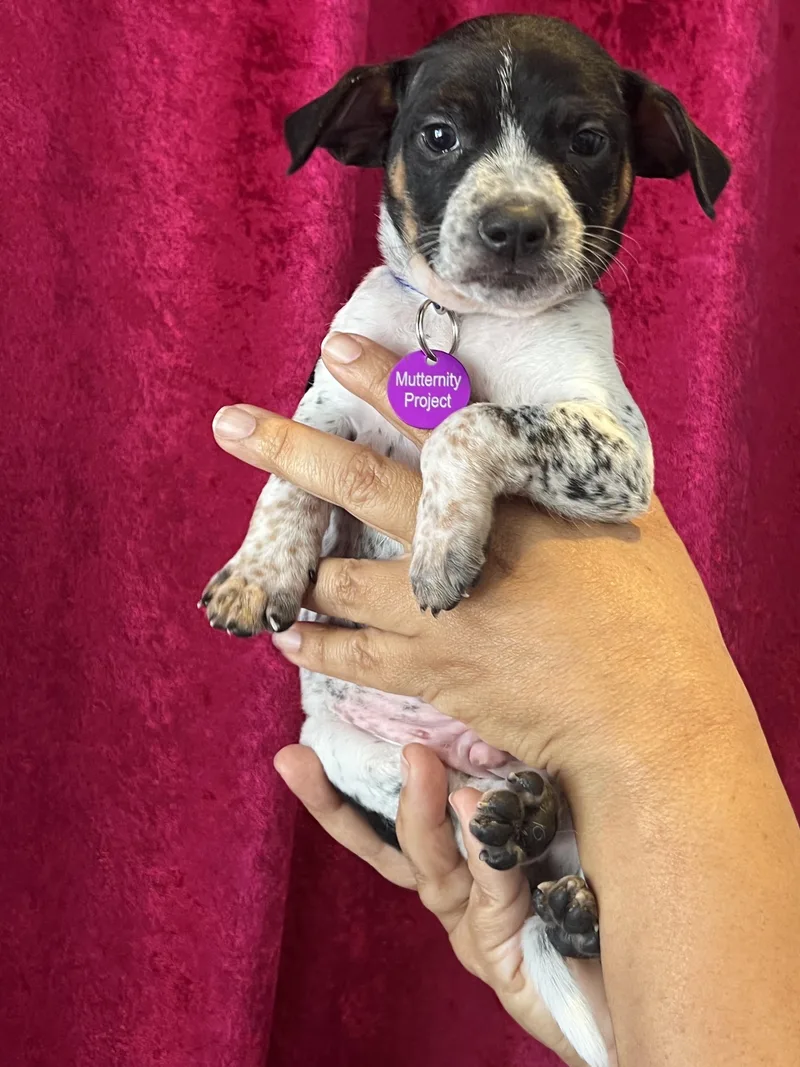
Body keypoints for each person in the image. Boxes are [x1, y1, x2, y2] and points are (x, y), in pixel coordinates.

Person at [211, 333, 800, 1067]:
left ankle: (559, 899)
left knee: (547, 828)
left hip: (551, 752)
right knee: (346, 762)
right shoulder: (373, 322)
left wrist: (642, 715)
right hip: (389, 742)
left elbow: (621, 475)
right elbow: (324, 435)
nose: (513, 215)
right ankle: (560, 918)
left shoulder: (569, 335)